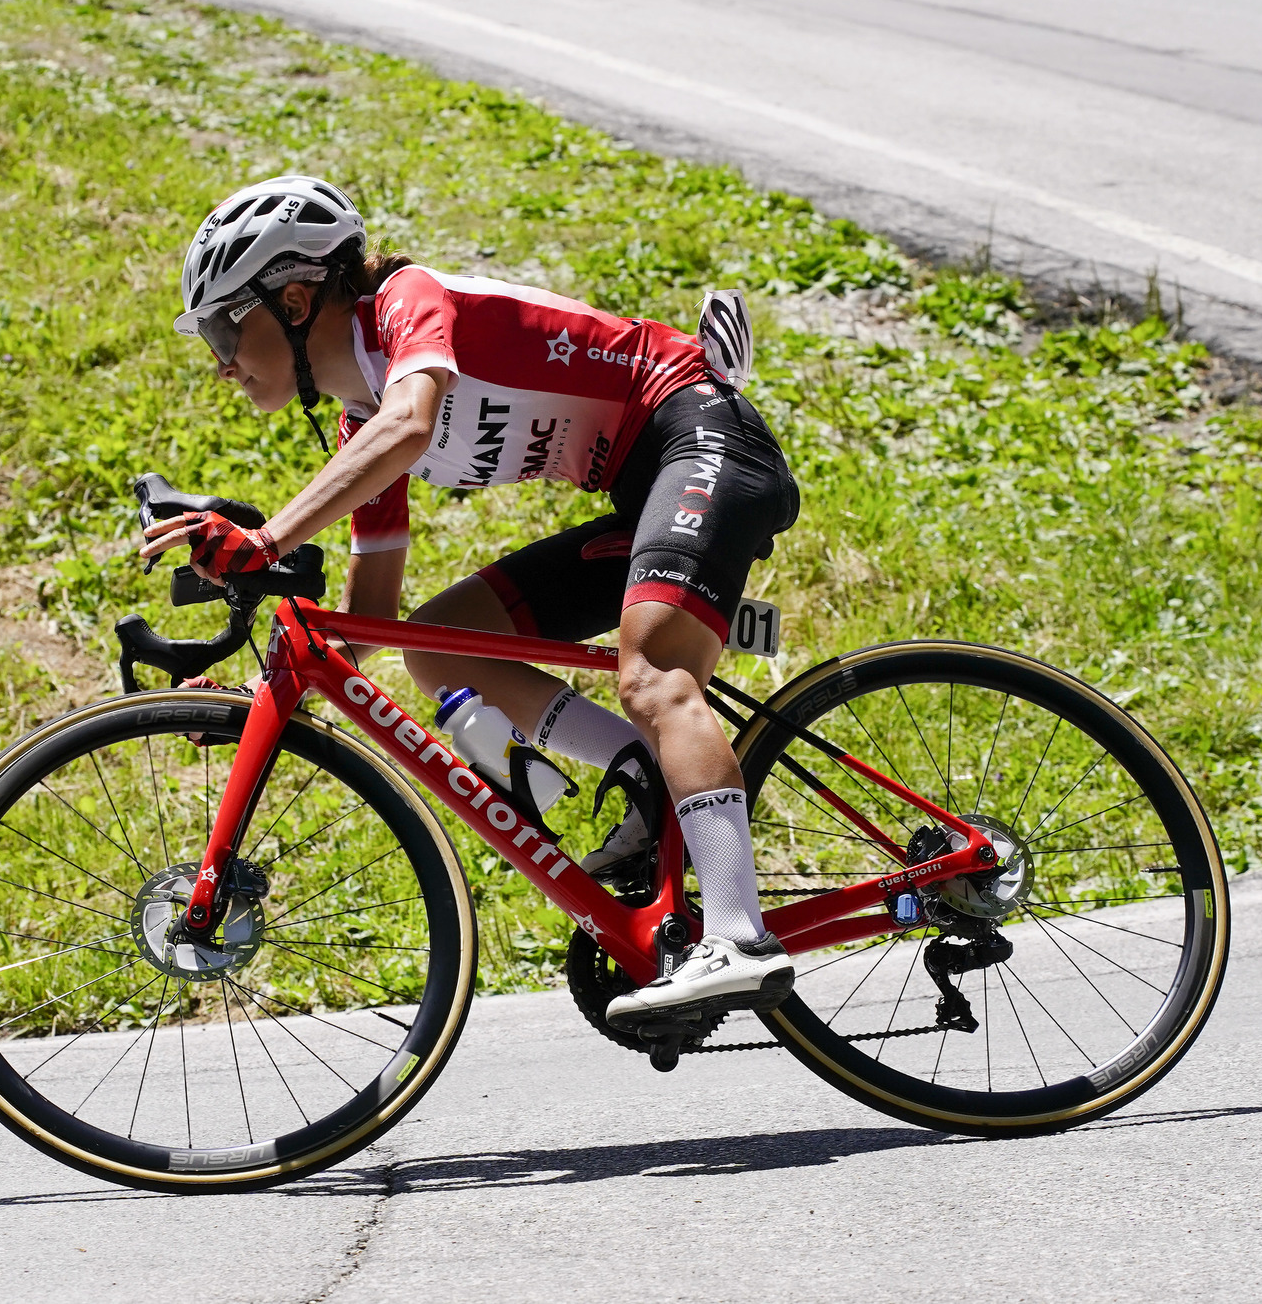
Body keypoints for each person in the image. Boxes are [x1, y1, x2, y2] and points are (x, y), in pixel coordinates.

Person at [138, 175, 799, 1024]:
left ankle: (740, 938)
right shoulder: (362, 422)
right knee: (438, 641)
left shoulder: (404, 305)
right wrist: (261, 694)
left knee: (652, 675)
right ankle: (638, 768)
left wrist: (267, 539)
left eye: (226, 328)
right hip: (647, 487)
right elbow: (368, 618)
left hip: (701, 432)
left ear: (295, 300)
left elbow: (413, 423)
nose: (222, 361)